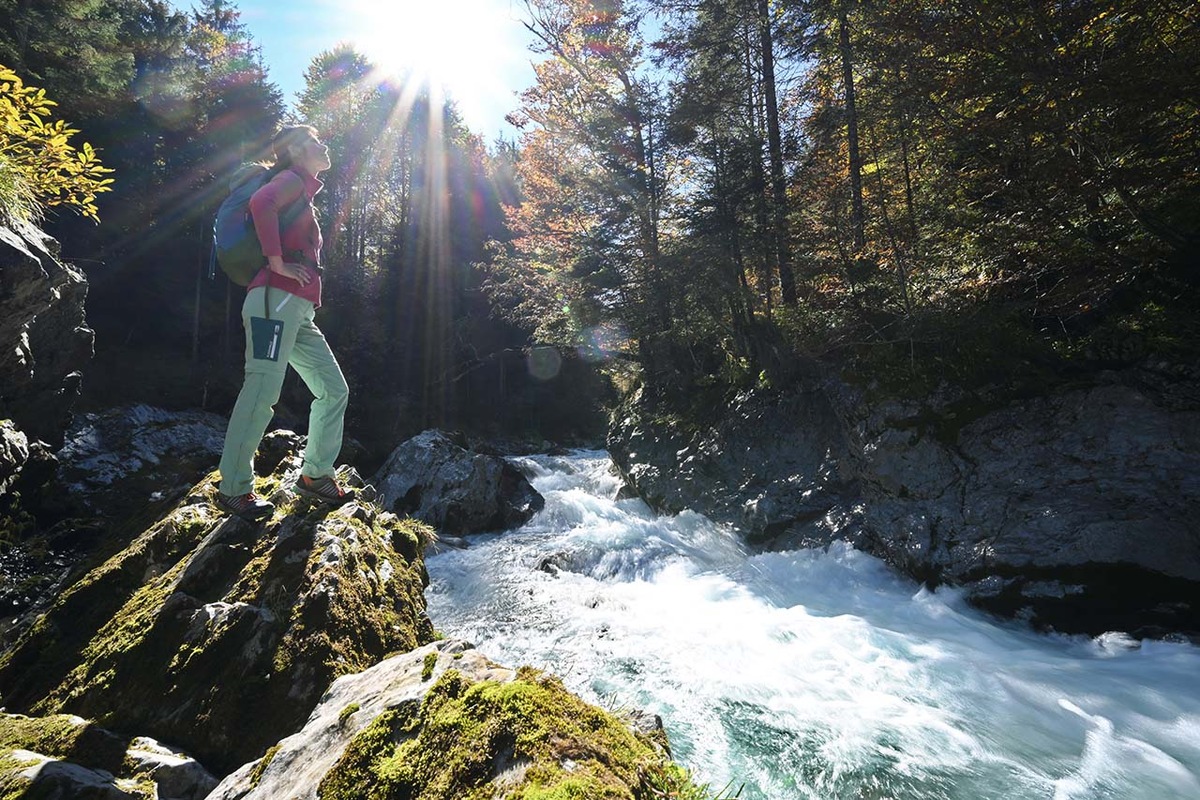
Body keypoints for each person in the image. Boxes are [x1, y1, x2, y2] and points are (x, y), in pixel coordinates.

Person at [215, 125, 352, 520]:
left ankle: (314, 476)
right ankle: (233, 489)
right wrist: (278, 263)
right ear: (295, 150)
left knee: (333, 389)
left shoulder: (302, 190)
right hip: (273, 301)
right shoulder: (289, 179)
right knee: (262, 388)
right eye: (314, 140)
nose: (324, 144)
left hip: (295, 310)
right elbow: (261, 203)